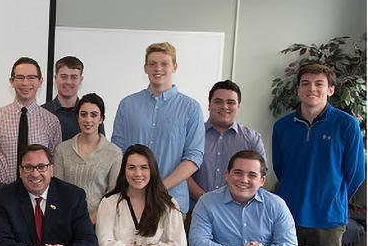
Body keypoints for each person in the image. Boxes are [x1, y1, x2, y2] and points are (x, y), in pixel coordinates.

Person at [272, 63, 365, 246]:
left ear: (331, 89)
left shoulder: (346, 125)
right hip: (288, 215)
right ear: (298, 90)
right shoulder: (282, 126)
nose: (311, 89)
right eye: (305, 84)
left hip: (328, 219)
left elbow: (355, 173)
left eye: (319, 84)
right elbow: (281, 169)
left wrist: (332, 195)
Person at [112, 42, 204, 214]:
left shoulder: (191, 108)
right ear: (145, 68)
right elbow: (118, 153)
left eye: (164, 63)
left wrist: (159, 188)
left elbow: (193, 158)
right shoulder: (127, 105)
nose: (158, 68)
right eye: (152, 63)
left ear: (174, 67)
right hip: (131, 202)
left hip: (171, 202)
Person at [96, 144, 187, 246]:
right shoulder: (109, 202)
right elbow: (104, 245)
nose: (138, 174)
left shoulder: (168, 204)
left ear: (152, 170)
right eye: (131, 168)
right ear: (124, 171)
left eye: (144, 168)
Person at [0, 57, 61, 196]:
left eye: (31, 77)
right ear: (11, 81)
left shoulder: (51, 121)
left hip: (36, 192)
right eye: (20, 77)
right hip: (0, 191)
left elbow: (53, 160)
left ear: (40, 82)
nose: (25, 83)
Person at [187, 80, 265, 209]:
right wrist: (206, 200)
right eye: (218, 101)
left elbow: (258, 176)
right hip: (196, 210)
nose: (224, 106)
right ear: (209, 105)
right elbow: (183, 174)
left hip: (237, 214)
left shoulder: (251, 139)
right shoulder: (191, 135)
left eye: (230, 102)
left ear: (238, 107)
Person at [53, 93, 122, 224]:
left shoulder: (115, 153)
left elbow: (114, 196)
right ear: (77, 118)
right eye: (83, 114)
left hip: (100, 224)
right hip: (65, 222)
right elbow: (56, 191)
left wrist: (88, 222)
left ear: (101, 118)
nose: (88, 120)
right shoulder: (62, 150)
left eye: (94, 115)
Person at [41, 56, 104, 140]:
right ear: (55, 79)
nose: (68, 82)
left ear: (80, 80)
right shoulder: (43, 112)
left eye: (74, 77)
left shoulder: (91, 113)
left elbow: (102, 147)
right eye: (63, 76)